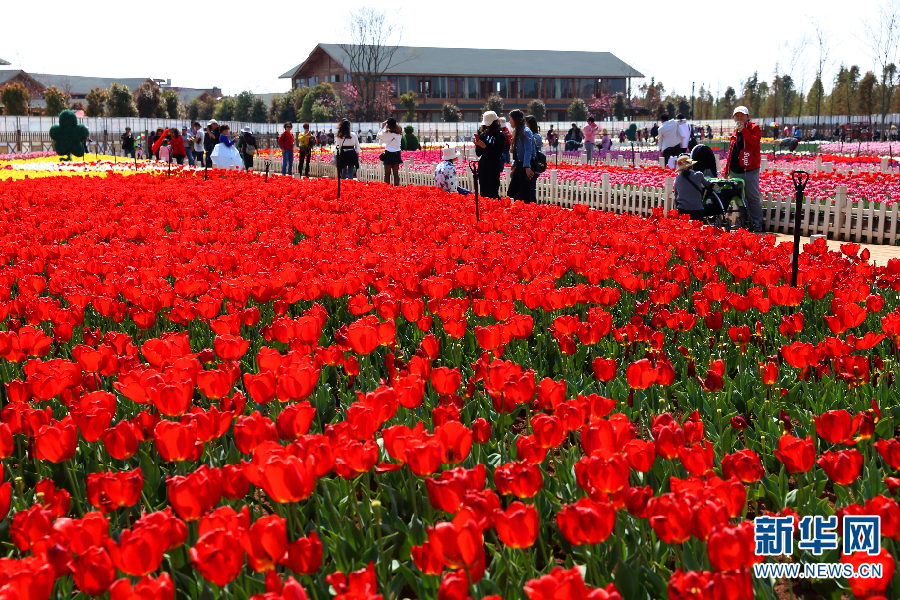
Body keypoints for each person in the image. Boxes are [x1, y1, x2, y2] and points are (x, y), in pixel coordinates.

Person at [724, 106, 763, 233]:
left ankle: (757, 223)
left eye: (742, 116)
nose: (739, 118)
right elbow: (731, 151)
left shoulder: (754, 128)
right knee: (739, 197)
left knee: (752, 197)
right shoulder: (735, 131)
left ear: (747, 117)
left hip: (749, 169)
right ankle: (743, 221)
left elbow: (754, 142)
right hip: (735, 170)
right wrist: (726, 170)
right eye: (737, 116)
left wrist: (744, 131)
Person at [473, 110, 508, 199]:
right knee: (483, 191)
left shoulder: (500, 135)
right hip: (483, 166)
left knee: (492, 191)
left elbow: (497, 153)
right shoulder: (483, 134)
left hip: (493, 166)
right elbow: (478, 153)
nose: (487, 126)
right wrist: (478, 145)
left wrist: (484, 146)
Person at [505, 109, 535, 203]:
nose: (509, 122)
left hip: (526, 166)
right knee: (511, 193)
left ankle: (526, 215)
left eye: (510, 119)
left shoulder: (526, 131)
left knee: (524, 194)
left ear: (515, 119)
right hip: (519, 165)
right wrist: (514, 165)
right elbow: (517, 152)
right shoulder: (516, 131)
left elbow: (528, 150)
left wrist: (526, 166)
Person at [674, 155, 712, 221]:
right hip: (697, 209)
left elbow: (676, 194)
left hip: (683, 209)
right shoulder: (699, 175)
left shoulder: (678, 178)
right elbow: (708, 184)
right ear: (691, 165)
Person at [377, 117, 403, 185]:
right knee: (396, 174)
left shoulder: (386, 133)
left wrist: (382, 126)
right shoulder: (399, 133)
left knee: (387, 174)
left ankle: (387, 190)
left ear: (388, 124)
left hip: (388, 153)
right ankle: (397, 189)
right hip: (397, 153)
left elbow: (378, 135)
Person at [525, 115, 542, 203]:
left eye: (526, 123)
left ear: (530, 124)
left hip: (533, 165)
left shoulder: (536, 136)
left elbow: (533, 150)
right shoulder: (533, 135)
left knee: (531, 190)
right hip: (530, 164)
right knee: (529, 189)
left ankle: (533, 207)